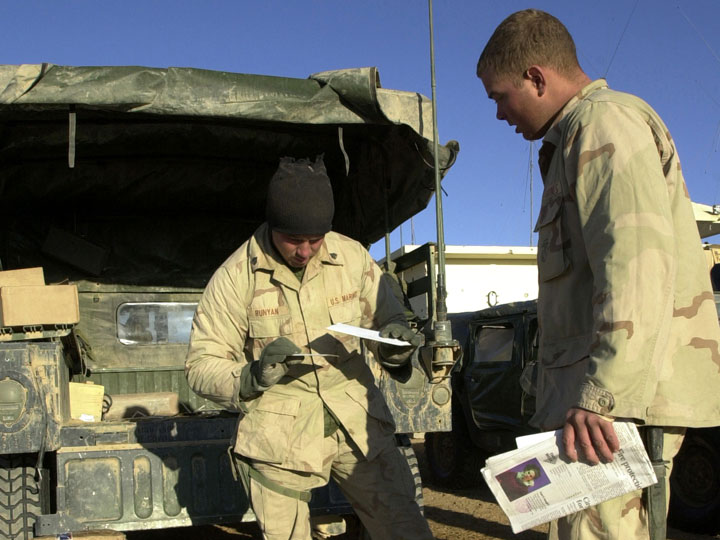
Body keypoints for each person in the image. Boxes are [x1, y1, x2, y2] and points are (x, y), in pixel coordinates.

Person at [476, 9, 720, 540]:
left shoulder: (604, 124)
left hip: (613, 411)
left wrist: (602, 395)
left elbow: (637, 265)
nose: (498, 114)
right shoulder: (573, 139)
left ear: (536, 78)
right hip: (596, 407)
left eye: (499, 96)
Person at [185, 156, 433, 540]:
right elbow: (201, 364)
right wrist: (252, 376)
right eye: (293, 240)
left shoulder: (351, 257)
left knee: (406, 530)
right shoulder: (236, 276)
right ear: (273, 226)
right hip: (279, 434)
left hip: (357, 423)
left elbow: (390, 319)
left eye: (315, 240)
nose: (305, 251)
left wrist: (395, 345)